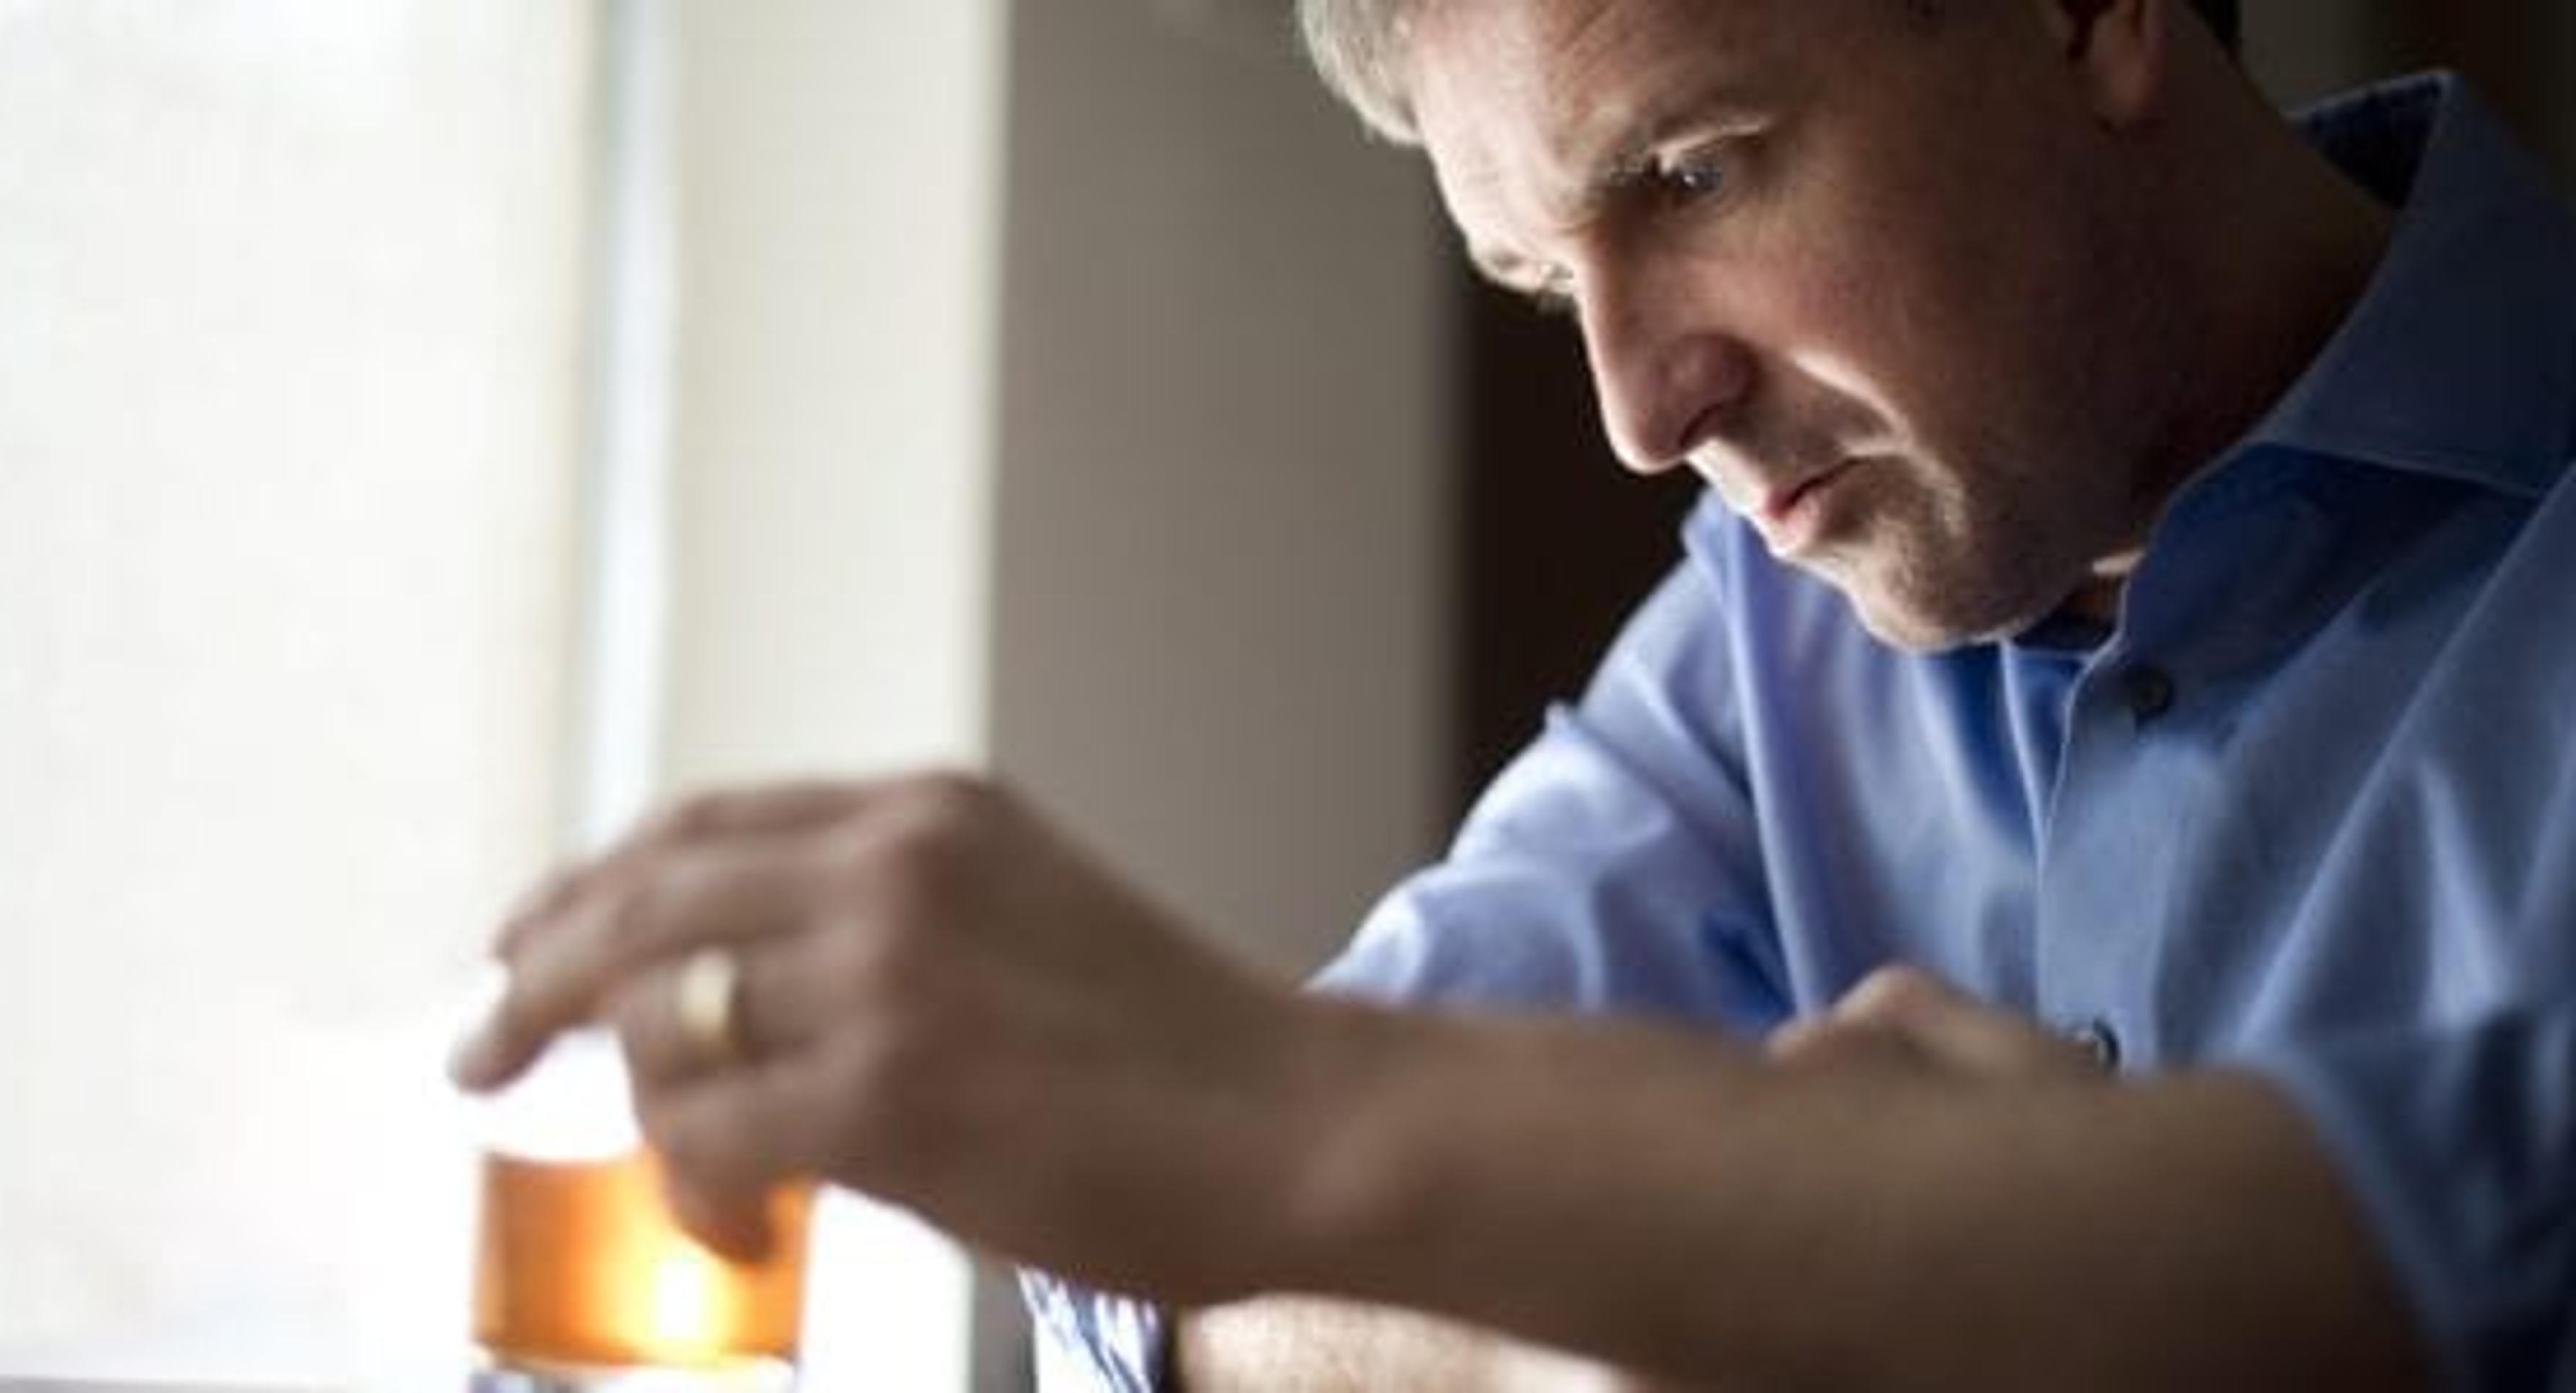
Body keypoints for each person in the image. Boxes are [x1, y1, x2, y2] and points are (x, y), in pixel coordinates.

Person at [448, 0, 2576, 1386]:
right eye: (1550, 277)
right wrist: (1617, 1299)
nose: (1643, 412)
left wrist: (1609, 1225)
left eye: (1694, 173)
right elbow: (1169, 1293)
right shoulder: (1771, 641)